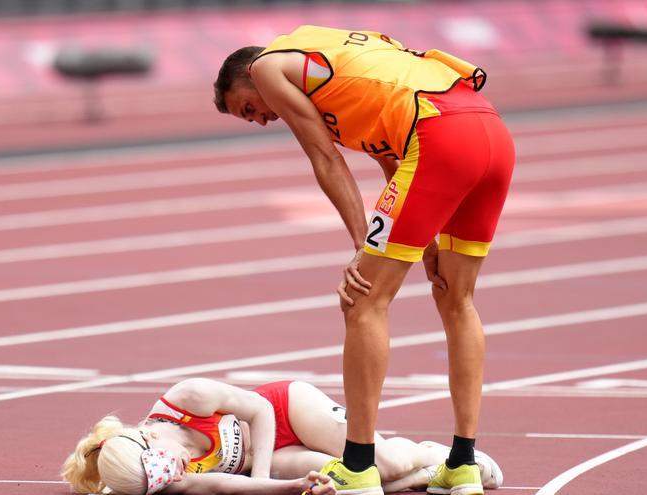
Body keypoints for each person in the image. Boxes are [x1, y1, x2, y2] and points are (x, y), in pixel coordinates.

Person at [213, 26, 515, 495]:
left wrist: (361, 245)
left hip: (438, 136)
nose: (259, 119)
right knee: (457, 299)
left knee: (362, 299)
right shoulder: (338, 61)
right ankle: (462, 464)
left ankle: (357, 467)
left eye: (249, 108)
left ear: (247, 76)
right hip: (489, 133)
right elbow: (396, 160)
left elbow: (326, 159)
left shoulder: (266, 67)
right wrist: (427, 247)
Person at [62, 378, 503, 494]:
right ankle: (426, 477)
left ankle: (424, 454)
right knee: (344, 485)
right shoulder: (155, 476)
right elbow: (221, 484)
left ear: (147, 439)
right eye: (162, 480)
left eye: (163, 467)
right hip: (270, 459)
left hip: (286, 409)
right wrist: (287, 485)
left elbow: (255, 410)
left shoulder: (187, 398)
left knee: (385, 464)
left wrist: (261, 475)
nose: (171, 474)